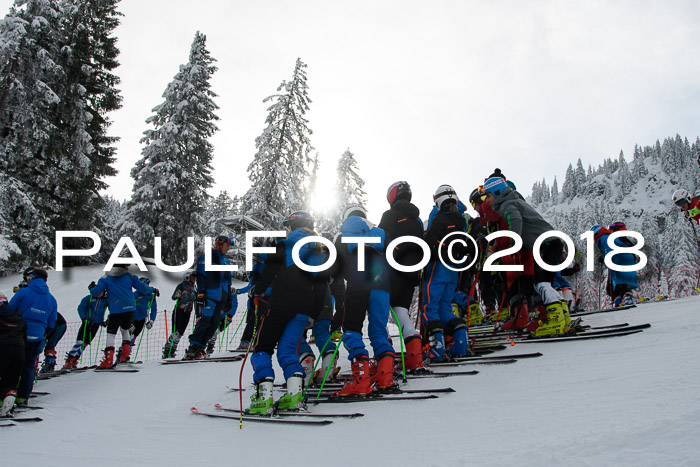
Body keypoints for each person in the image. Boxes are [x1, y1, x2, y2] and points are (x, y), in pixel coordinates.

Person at [248, 211, 329, 413]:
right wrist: (314, 314)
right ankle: (295, 397)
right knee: (288, 350)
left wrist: (256, 290)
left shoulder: (285, 245)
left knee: (262, 348)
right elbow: (322, 286)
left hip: (280, 304)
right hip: (304, 309)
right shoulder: (320, 251)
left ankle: (263, 397)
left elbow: (267, 274)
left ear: (292, 227)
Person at [483, 177, 569, 336]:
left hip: (546, 244)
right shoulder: (514, 200)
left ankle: (556, 319)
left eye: (488, 196)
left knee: (542, 283)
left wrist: (514, 243)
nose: (487, 200)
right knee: (543, 282)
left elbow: (515, 219)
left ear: (497, 192)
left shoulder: (507, 204)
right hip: (550, 243)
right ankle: (563, 316)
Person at [332, 203, 396, 396]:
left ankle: (360, 379)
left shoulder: (342, 237)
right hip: (382, 285)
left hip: (357, 284)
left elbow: (337, 267)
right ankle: (385, 377)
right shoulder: (381, 234)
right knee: (378, 330)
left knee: (351, 329)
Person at [378, 181, 424, 370]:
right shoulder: (418, 220)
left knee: (379, 312)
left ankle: (384, 360)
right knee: (401, 312)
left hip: (393, 270)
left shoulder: (390, 215)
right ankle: (414, 358)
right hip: (412, 272)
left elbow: (380, 238)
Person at [422, 185, 470, 361]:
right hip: (454, 269)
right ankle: (460, 343)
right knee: (445, 308)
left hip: (437, 267)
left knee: (430, 308)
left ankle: (436, 349)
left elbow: (428, 242)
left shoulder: (440, 220)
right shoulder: (461, 220)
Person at [90, 264, 157, 369]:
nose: (127, 268)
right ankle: (124, 356)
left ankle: (108, 360)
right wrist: (152, 289)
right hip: (130, 308)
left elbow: (96, 292)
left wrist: (91, 288)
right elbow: (142, 287)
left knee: (111, 334)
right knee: (125, 329)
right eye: (126, 266)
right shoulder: (129, 276)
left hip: (116, 309)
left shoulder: (105, 278)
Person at [8, 267, 57, 406]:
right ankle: (23, 397)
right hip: (38, 336)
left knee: (13, 364)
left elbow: (10, 310)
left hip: (19, 334)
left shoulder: (23, 292)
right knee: (29, 366)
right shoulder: (51, 299)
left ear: (31, 278)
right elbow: (52, 322)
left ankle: (7, 395)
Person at [185, 236, 234, 360]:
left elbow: (228, 282)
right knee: (205, 321)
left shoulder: (226, 262)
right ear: (219, 244)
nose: (228, 248)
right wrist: (201, 293)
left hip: (222, 298)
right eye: (227, 246)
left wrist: (229, 298)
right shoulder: (206, 258)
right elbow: (201, 276)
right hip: (210, 296)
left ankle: (200, 348)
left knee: (214, 324)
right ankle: (193, 348)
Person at [63, 282, 108, 369]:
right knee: (80, 341)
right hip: (87, 323)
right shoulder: (89, 298)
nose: (99, 294)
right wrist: (84, 319)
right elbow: (81, 308)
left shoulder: (105, 300)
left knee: (85, 343)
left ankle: (75, 359)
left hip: (96, 324)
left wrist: (104, 320)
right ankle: (69, 360)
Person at [591, 224, 638, 307]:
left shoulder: (602, 238)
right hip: (627, 257)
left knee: (619, 282)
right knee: (615, 284)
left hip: (618, 258)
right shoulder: (609, 236)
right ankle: (618, 300)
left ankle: (626, 298)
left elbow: (608, 248)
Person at [0, 293, 26, 417]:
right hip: (19, 351)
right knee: (10, 381)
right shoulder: (17, 318)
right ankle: (9, 396)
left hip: (2, 348)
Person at [162, 270, 197, 359]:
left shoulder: (194, 287)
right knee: (176, 331)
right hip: (179, 311)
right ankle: (167, 350)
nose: (194, 279)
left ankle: (173, 350)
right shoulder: (182, 286)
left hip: (188, 312)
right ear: (187, 277)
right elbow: (174, 297)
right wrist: (177, 294)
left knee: (181, 332)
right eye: (193, 277)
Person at [128, 277, 157, 360]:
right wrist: (129, 322)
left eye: (148, 284)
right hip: (133, 318)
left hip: (142, 319)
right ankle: (122, 353)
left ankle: (126, 354)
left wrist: (151, 321)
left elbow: (154, 309)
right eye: (145, 284)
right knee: (129, 337)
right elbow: (129, 308)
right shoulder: (135, 295)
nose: (147, 286)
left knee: (134, 337)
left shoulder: (150, 296)